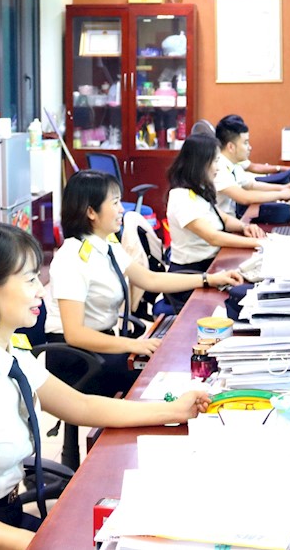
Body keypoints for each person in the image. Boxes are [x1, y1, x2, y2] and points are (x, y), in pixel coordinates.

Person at [0, 220, 209, 549]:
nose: (41, 290)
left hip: (3, 517)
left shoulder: (6, 351)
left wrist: (173, 410)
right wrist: (47, 544)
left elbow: (80, 405)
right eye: (30, 279)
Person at [44, 170, 244, 396]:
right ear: (91, 212)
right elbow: (75, 334)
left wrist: (209, 279)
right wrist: (134, 344)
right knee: (159, 372)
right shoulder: (72, 258)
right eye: (115, 202)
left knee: (167, 360)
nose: (122, 209)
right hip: (78, 360)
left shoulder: (105, 245)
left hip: (101, 346)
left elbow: (151, 279)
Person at [166, 133, 265, 306]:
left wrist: (243, 227)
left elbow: (222, 218)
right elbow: (212, 237)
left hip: (210, 265)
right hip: (191, 276)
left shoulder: (199, 189)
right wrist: (259, 243)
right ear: (200, 163)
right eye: (215, 161)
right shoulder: (181, 197)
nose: (218, 167)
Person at [213, 114, 290, 216]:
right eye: (245, 143)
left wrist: (282, 188)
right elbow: (244, 197)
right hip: (221, 223)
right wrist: (281, 194)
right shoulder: (218, 168)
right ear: (231, 147)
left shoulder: (234, 164)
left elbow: (250, 185)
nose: (250, 147)